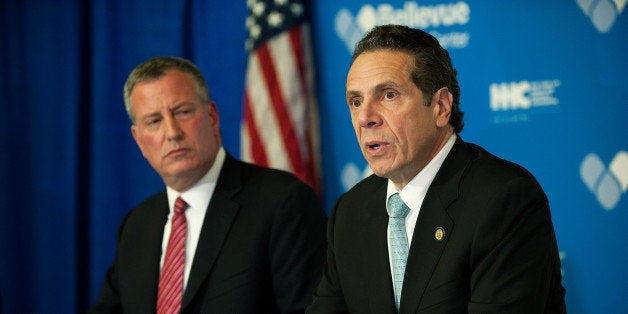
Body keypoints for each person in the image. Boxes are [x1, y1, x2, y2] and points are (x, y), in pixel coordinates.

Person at [306, 25, 566, 313]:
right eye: (356, 102)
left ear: (441, 107)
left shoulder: (503, 199)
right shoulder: (350, 212)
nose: (365, 117)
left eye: (388, 95)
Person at [89, 56, 327, 313]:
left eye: (182, 112)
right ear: (139, 140)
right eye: (154, 121)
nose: (172, 132)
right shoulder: (136, 226)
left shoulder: (283, 203)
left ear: (212, 117)